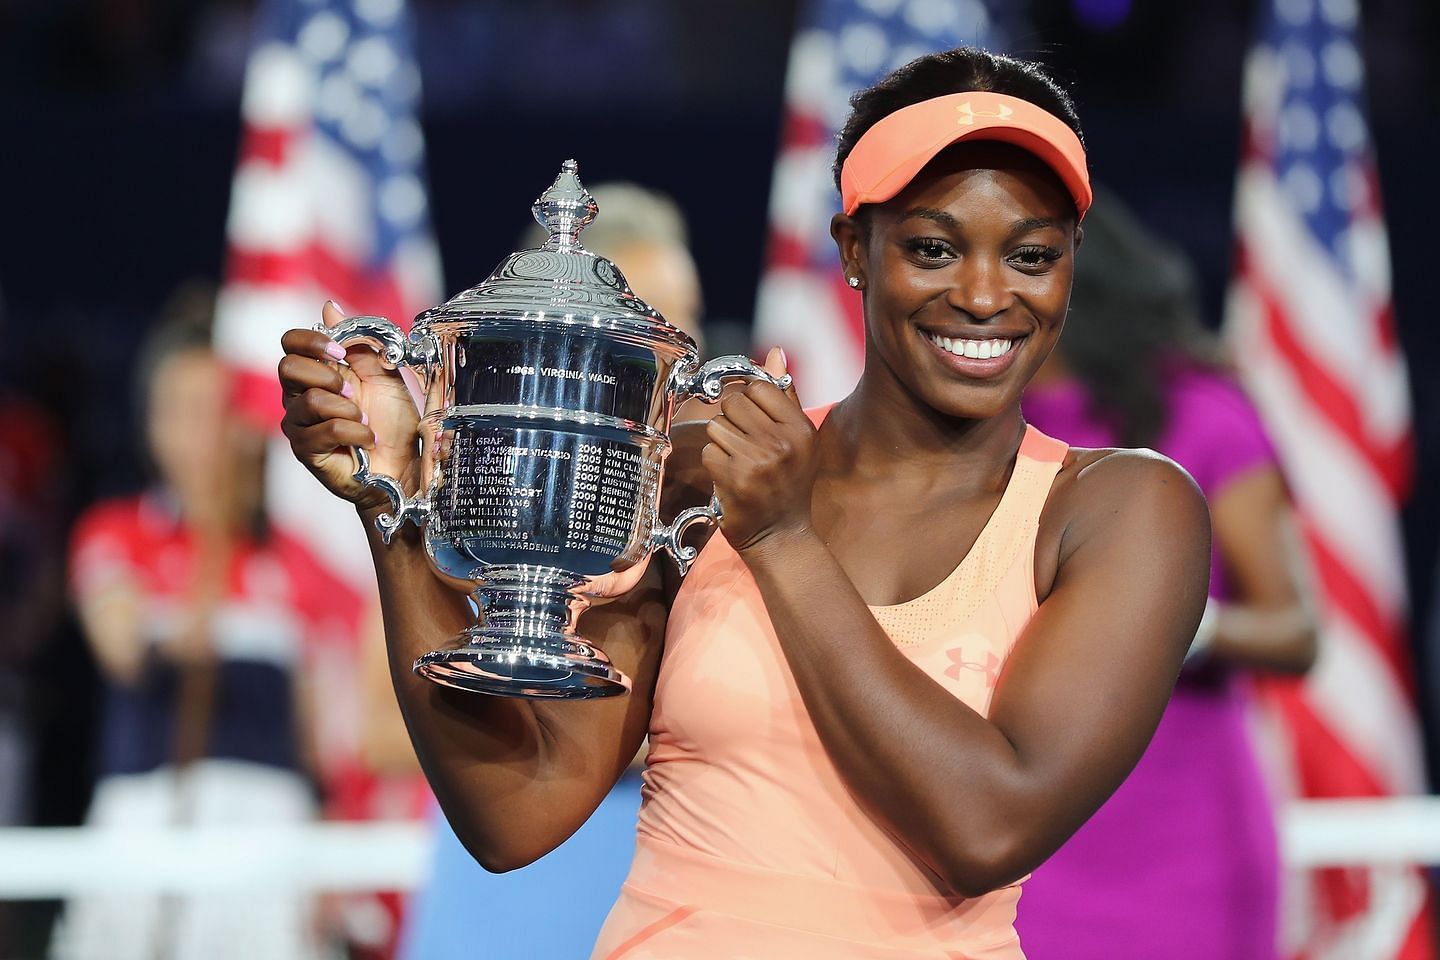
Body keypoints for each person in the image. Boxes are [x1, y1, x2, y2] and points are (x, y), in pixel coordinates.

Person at [278, 47, 1212, 958]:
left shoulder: (1122, 510)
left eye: (1031, 255)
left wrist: (782, 537)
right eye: (932, 247)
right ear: (855, 247)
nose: (983, 294)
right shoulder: (701, 473)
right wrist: (390, 507)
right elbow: (516, 814)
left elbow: (987, 828)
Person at [378, 182, 707, 959]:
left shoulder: (719, 512)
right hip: (507, 905)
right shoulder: (462, 506)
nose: (674, 346)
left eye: (681, 318)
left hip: (668, 895)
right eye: (639, 326)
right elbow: (371, 732)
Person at [1015, 191, 1316, 958]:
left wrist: (1182, 622)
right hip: (1018, 827)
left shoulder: (1204, 417)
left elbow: (1297, 631)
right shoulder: (971, 425)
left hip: (1186, 841)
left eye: (1025, 262)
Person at [53, 288, 351, 960]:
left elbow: (321, 732)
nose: (201, 434)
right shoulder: (117, 533)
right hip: (145, 823)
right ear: (151, 426)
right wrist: (200, 583)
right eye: (181, 413)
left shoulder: (294, 556)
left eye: (216, 412)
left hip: (270, 836)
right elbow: (121, 646)